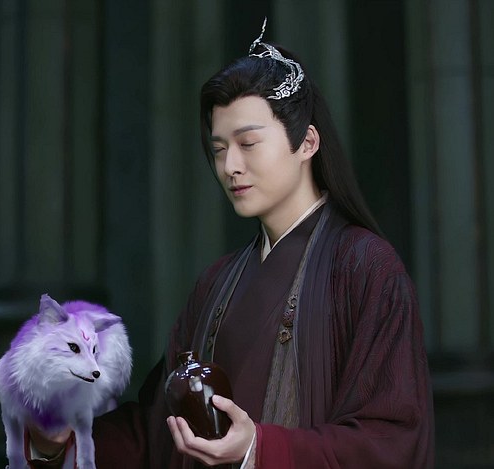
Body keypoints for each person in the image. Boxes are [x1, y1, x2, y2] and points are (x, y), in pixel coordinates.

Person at [24, 20, 434, 468]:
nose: (230, 166)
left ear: (307, 142)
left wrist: (259, 448)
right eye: (219, 149)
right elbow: (156, 433)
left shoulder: (366, 268)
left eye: (248, 143)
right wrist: (62, 438)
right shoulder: (217, 284)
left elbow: (391, 441)